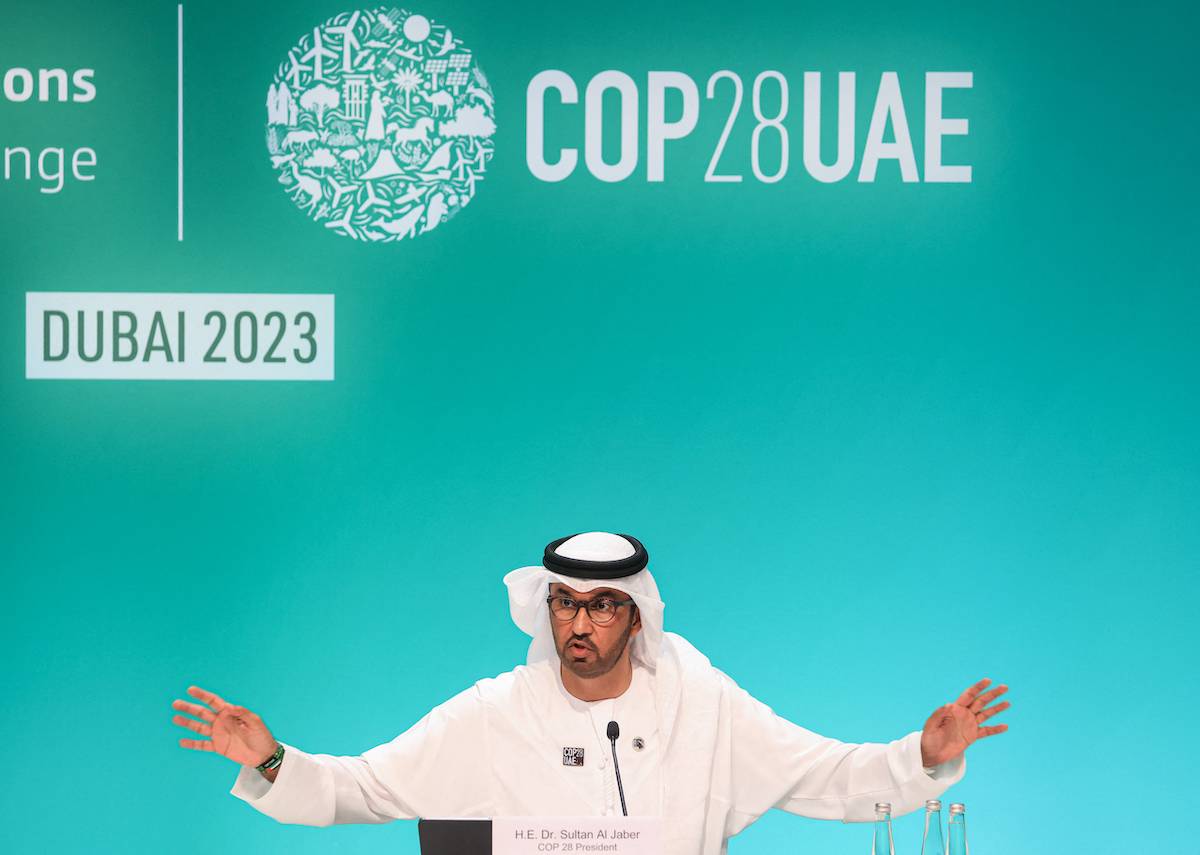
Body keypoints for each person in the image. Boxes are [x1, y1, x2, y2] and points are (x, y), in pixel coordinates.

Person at [172, 532, 1010, 855]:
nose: (581, 622)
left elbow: (822, 775)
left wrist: (922, 756)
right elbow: (364, 787)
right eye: (566, 603)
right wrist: (273, 759)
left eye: (602, 604)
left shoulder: (699, 699)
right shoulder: (496, 711)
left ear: (634, 615)